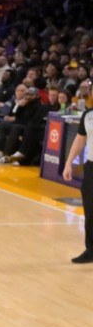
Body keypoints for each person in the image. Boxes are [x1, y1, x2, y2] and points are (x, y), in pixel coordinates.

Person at [62, 104, 93, 263]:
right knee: (90, 209)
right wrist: (68, 163)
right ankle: (91, 249)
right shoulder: (88, 115)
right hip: (91, 166)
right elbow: (81, 138)